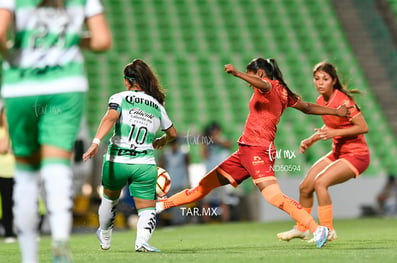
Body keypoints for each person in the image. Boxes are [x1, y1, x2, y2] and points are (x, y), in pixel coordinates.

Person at [156, 57, 352, 248]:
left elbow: (263, 84)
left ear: (259, 73)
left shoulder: (270, 87)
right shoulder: (284, 91)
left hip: (258, 150)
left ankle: (317, 229)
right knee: (202, 187)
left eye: (252, 77)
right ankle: (161, 205)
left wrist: (237, 73)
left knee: (274, 196)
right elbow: (307, 107)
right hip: (244, 152)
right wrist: (335, 112)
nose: (251, 84)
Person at [0, 0, 111, 263]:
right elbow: (102, 41)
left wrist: (11, 55)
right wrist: (73, 41)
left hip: (22, 85)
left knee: (26, 177)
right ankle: (59, 242)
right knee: (58, 172)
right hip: (66, 85)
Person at [82, 59, 177, 253]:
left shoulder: (120, 97)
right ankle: (141, 242)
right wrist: (162, 140)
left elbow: (110, 117)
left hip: (118, 160)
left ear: (127, 81)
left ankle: (105, 238)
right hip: (144, 163)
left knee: (109, 200)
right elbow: (173, 134)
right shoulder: (157, 104)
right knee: (147, 209)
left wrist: (95, 142)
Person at [277, 61, 369, 242]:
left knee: (320, 183)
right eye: (317, 78)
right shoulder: (321, 101)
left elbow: (363, 127)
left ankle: (328, 230)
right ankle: (302, 228)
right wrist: (312, 139)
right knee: (305, 187)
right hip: (338, 152)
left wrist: (335, 133)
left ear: (333, 81)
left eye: (325, 79)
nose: (320, 82)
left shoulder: (344, 101)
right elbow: (330, 124)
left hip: (357, 155)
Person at [200, 121, 235, 223]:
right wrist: (206, 141)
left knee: (223, 200)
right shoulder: (207, 142)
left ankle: (225, 221)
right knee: (206, 201)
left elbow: (229, 145)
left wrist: (217, 140)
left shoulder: (223, 140)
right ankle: (206, 221)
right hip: (209, 174)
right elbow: (204, 155)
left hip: (221, 175)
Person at [0, 107, 16, 243]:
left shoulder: (16, 132)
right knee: (6, 204)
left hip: (16, 172)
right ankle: (8, 233)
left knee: (17, 203)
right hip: (2, 174)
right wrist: (8, 130)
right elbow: (2, 148)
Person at [158, 138, 191, 225]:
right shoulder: (166, 154)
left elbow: (187, 167)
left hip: (181, 182)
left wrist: (188, 180)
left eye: (175, 144)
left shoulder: (183, 153)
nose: (173, 147)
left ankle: (181, 221)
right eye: (172, 145)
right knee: (172, 203)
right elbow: (161, 167)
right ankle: (175, 222)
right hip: (170, 183)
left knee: (181, 203)